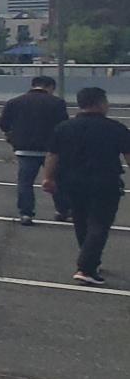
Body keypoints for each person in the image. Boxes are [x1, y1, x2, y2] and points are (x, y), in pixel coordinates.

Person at [39, 86, 125, 285]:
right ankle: (86, 267)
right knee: (100, 224)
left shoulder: (64, 127)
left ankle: (90, 260)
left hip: (72, 182)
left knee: (81, 221)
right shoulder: (115, 128)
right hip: (105, 181)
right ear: (100, 103)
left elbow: (52, 155)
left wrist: (48, 178)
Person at [2, 75, 71, 225]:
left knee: (25, 183)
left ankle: (26, 213)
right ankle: (63, 210)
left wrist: (12, 136)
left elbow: (3, 123)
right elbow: (64, 126)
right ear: (50, 87)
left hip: (24, 149)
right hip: (50, 150)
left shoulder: (15, 102)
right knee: (57, 179)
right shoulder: (57, 103)